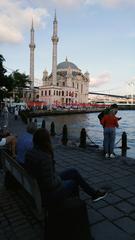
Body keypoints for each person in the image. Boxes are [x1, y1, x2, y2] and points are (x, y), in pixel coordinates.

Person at [25, 128, 108, 207]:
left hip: (38, 186)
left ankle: (93, 194)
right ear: (46, 141)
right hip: (47, 193)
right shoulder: (45, 157)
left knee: (73, 171)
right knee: (73, 182)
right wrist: (59, 179)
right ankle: (75, 207)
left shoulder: (29, 153)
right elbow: (50, 184)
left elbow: (44, 175)